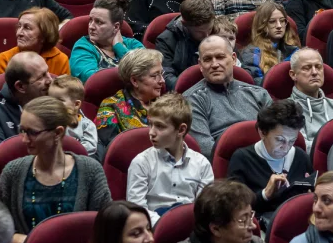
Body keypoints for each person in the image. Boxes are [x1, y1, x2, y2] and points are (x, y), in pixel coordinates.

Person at [0, 96, 112, 243]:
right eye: (22, 130)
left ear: (58, 132)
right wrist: (24, 241)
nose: (24, 139)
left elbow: (107, 228)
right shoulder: (13, 171)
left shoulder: (91, 171)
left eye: (32, 132)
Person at [126, 93, 213, 224]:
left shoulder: (202, 164)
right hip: (154, 229)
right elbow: (137, 209)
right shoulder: (141, 162)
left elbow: (205, 209)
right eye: (151, 124)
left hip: (190, 228)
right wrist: (166, 226)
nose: (151, 132)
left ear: (181, 130)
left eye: (160, 126)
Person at [184, 35, 273, 156]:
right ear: (200, 64)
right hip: (225, 167)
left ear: (233, 59)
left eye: (220, 57)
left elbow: (277, 135)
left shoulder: (259, 94)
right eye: (207, 59)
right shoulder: (192, 99)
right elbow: (205, 149)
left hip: (267, 160)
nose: (214, 64)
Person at [228, 99, 313, 220]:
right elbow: (234, 207)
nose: (286, 147)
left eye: (292, 141)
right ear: (262, 133)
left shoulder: (300, 156)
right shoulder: (242, 158)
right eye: (280, 140)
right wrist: (265, 194)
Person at [94, 48, 164, 155]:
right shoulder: (110, 106)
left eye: (161, 74)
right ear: (135, 81)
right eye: (155, 76)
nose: (162, 81)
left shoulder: (167, 105)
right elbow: (113, 151)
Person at [0, 51, 52, 154]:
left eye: (47, 72)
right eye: (41, 77)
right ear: (20, 86)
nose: (50, 80)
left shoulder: (59, 99)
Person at [288, 47, 333, 150]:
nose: (314, 72)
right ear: (293, 75)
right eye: (307, 68)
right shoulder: (286, 111)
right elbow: (300, 148)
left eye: (318, 67)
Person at [70, 0, 143, 83]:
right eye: (90, 20)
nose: (91, 26)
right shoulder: (83, 47)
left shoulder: (132, 44)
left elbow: (147, 70)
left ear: (116, 27)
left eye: (99, 22)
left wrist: (119, 47)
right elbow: (93, 80)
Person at [156, 0, 215, 90]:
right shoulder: (166, 40)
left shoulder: (219, 31)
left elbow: (238, 65)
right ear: (184, 24)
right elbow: (166, 76)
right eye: (200, 32)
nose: (207, 36)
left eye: (209, 29)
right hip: (185, 92)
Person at [0, 8, 69, 78]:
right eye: (19, 26)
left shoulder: (60, 60)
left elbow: (65, 90)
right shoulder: (5, 59)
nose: (19, 33)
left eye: (27, 28)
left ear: (44, 35)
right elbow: (4, 90)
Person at [239, 2, 299, 84]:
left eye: (282, 21)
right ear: (262, 25)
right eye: (272, 21)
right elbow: (256, 87)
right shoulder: (252, 53)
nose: (279, 26)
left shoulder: (294, 50)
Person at [45, 76, 96, 157]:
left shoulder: (87, 125)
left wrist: (67, 150)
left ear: (76, 104)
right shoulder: (46, 121)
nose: (53, 103)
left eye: (59, 100)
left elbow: (90, 147)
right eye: (50, 99)